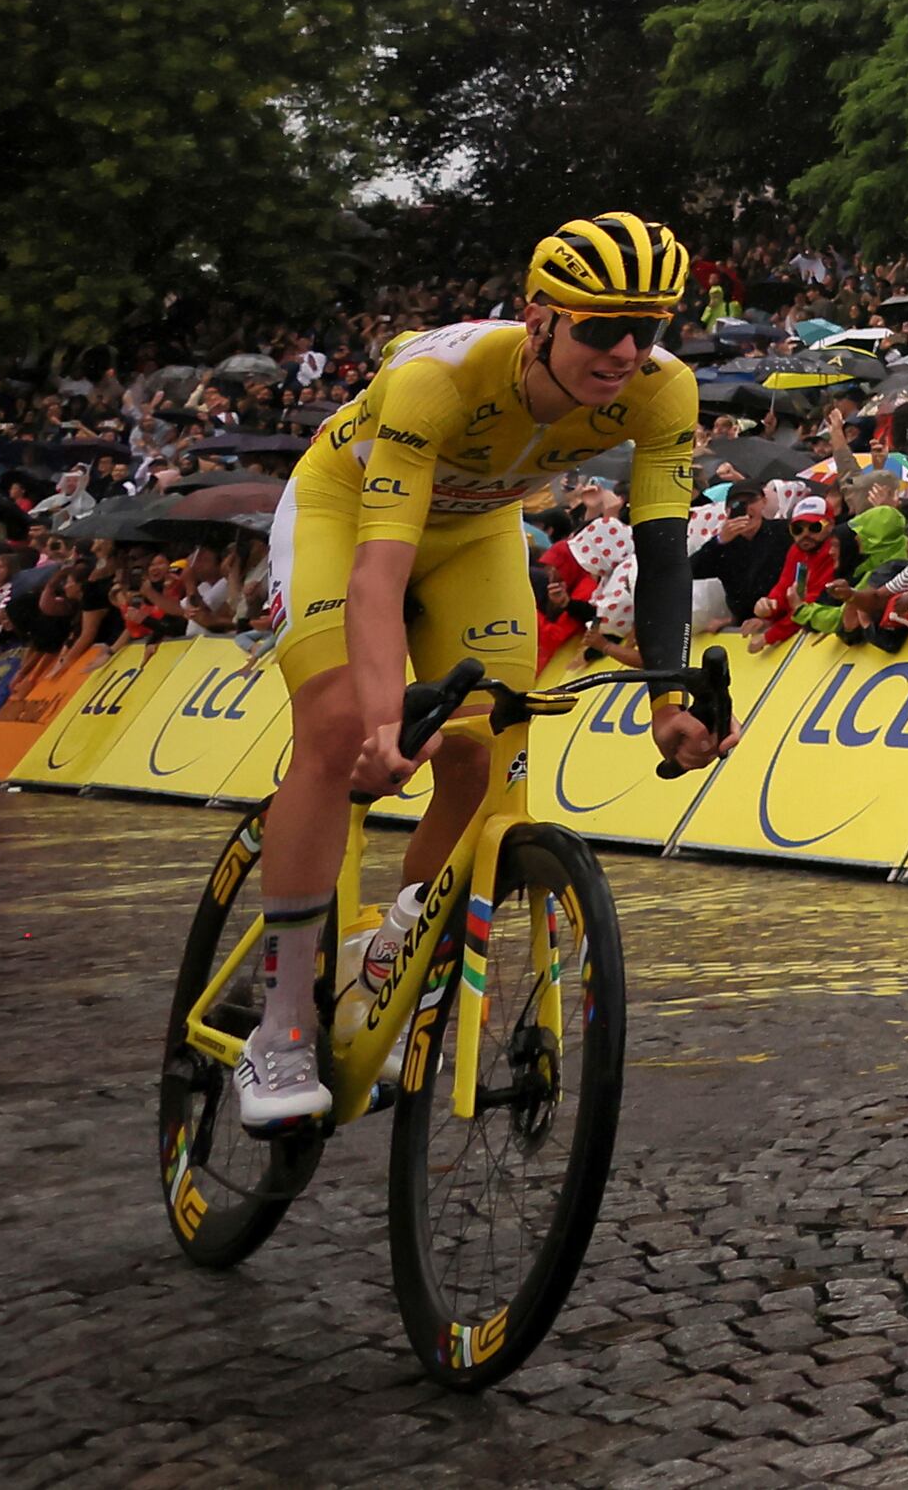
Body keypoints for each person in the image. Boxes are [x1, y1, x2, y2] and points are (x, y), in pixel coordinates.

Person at [224, 214, 720, 1130]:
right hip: (350, 514)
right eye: (601, 329)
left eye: (646, 329)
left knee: (485, 754)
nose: (626, 352)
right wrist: (382, 723)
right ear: (540, 320)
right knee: (337, 734)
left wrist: (667, 697)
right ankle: (283, 1025)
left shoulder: (662, 392)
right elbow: (378, 573)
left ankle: (399, 938)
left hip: (479, 529)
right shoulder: (437, 380)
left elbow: (661, 553)